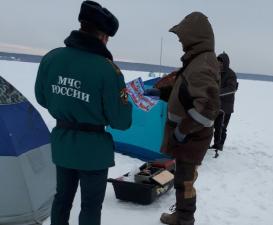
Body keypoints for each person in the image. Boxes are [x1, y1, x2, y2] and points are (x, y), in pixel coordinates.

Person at [34, 1, 132, 225]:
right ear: (103, 37)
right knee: (90, 206)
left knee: (62, 199)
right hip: (93, 152)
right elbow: (121, 121)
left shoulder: (52, 58)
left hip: (63, 144)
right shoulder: (108, 70)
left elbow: (42, 97)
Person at [146, 12, 220, 225]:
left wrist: (182, 131)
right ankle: (182, 215)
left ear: (194, 37)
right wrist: (162, 94)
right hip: (188, 137)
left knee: (185, 182)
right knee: (182, 179)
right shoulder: (197, 60)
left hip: (191, 137)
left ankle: (184, 218)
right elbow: (186, 95)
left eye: (182, 38)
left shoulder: (202, 65)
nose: (180, 42)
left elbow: (207, 110)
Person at [210, 52, 238, 157]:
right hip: (215, 105)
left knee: (221, 127)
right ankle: (215, 144)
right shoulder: (216, 73)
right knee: (213, 125)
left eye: (221, 62)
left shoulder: (231, 74)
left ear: (225, 63)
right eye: (218, 62)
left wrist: (217, 92)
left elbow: (232, 89)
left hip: (226, 107)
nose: (219, 64)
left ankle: (219, 145)